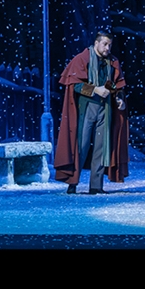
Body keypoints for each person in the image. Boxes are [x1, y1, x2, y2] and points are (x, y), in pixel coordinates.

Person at [55, 30, 129, 194]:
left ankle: (96, 186)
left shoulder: (112, 62)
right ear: (96, 43)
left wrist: (119, 98)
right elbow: (75, 85)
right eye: (105, 44)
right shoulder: (82, 59)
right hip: (86, 108)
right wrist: (95, 89)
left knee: (101, 147)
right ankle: (73, 183)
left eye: (110, 45)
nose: (107, 48)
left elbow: (117, 85)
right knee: (81, 147)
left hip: (105, 109)